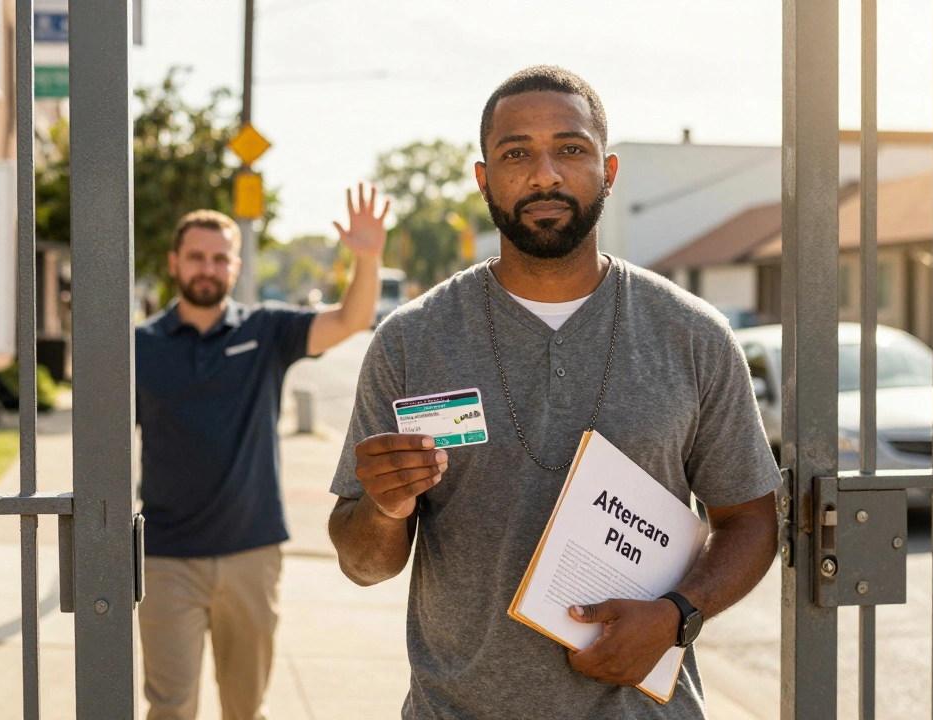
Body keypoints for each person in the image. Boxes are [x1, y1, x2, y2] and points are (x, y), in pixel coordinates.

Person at [328, 66, 781, 718]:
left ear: (609, 170)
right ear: (483, 179)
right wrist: (382, 508)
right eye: (517, 153)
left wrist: (677, 614)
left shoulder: (693, 335)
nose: (545, 174)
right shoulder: (409, 341)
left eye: (571, 149)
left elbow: (751, 521)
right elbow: (364, 563)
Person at [136, 188, 389, 720]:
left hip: (251, 553)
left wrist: (366, 258)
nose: (209, 267)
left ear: (236, 264)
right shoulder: (140, 346)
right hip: (164, 558)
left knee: (246, 708)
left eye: (220, 257)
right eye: (197, 256)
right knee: (170, 707)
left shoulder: (267, 330)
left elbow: (351, 318)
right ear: (174, 262)